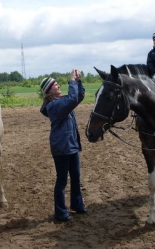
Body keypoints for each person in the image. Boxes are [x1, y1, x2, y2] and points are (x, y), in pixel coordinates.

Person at [39, 69, 87, 222]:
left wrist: (78, 82)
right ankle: (60, 212)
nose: (58, 85)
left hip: (71, 144)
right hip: (61, 147)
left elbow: (78, 97)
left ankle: (77, 205)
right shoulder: (54, 106)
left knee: (76, 177)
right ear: (49, 91)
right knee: (62, 180)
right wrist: (71, 81)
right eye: (55, 84)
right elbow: (72, 100)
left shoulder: (61, 102)